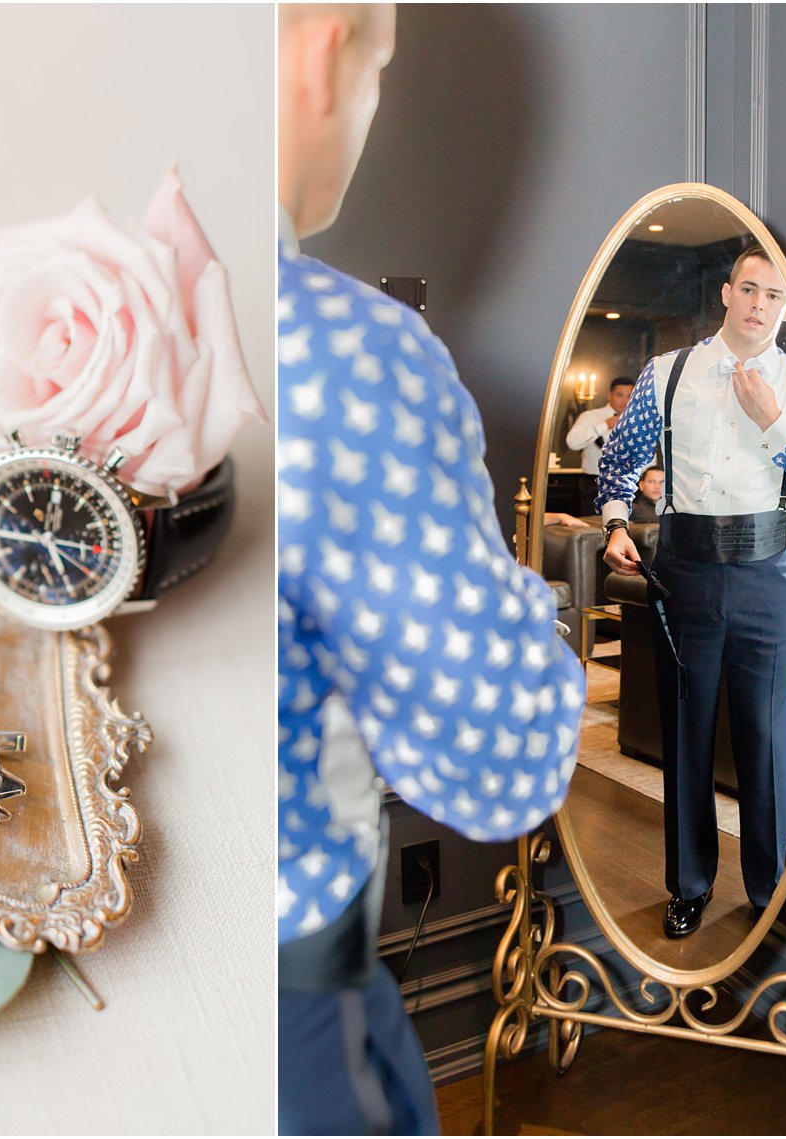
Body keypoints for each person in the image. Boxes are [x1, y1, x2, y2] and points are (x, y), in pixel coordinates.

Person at [277, 5, 585, 1132]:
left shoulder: (21, 318)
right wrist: (529, 603)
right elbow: (493, 765)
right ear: (324, 50)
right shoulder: (346, 353)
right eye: (382, 66)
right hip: (283, 1003)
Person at [598, 244, 786, 938]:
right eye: (749, 289)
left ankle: (769, 892)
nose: (760, 306)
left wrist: (773, 419)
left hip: (767, 572)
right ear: (726, 294)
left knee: (765, 739)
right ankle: (689, 885)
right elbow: (618, 460)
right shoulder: (668, 373)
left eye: (774, 297)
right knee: (686, 731)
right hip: (686, 571)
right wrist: (614, 523)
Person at [566, 376, 635, 515]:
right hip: (595, 483)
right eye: (620, 395)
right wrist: (604, 426)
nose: (624, 400)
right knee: (593, 526)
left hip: (628, 483)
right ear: (610, 395)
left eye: (629, 396)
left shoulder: (638, 419)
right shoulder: (590, 416)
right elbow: (572, 442)